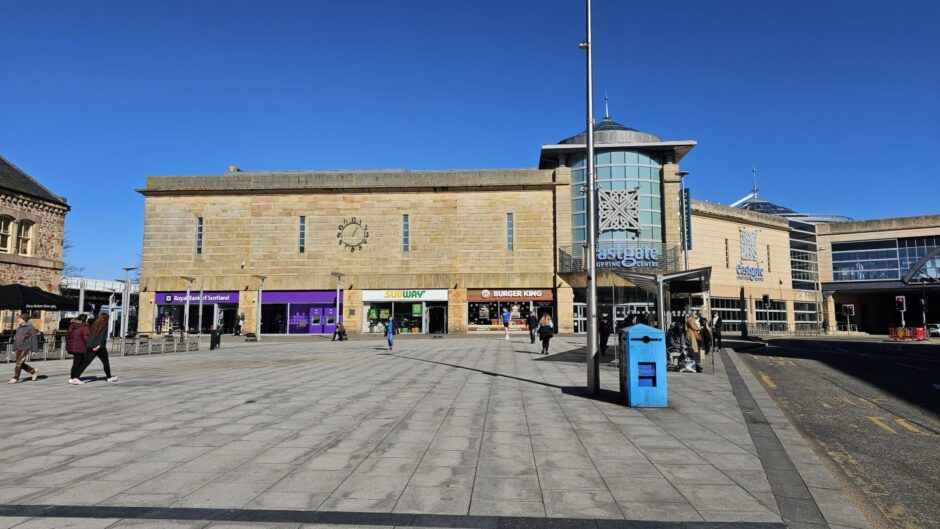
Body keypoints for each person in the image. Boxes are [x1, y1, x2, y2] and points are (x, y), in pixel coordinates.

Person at [81, 314, 117, 382]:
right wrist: (99, 346)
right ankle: (109, 377)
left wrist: (89, 345)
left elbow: (90, 336)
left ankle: (75, 377)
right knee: (105, 362)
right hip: (100, 348)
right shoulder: (104, 326)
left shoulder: (94, 325)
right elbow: (102, 337)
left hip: (91, 346)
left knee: (85, 363)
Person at [9, 313, 40, 384]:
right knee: (19, 363)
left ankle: (15, 378)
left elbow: (34, 338)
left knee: (18, 363)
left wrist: (34, 350)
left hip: (26, 347)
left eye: (19, 319)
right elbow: (16, 339)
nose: (18, 320)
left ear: (24, 319)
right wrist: (14, 348)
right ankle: (33, 371)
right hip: (19, 347)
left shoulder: (30, 327)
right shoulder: (18, 328)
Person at [66, 314, 90, 385]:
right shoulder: (84, 327)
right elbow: (86, 338)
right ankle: (75, 378)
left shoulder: (72, 325)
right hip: (80, 347)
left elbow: (68, 335)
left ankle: (72, 378)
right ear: (85, 319)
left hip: (72, 346)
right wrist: (90, 345)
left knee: (76, 362)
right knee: (81, 362)